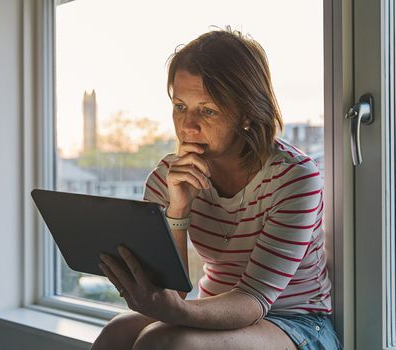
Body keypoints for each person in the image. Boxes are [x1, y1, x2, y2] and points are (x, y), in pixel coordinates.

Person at [92, 27, 342, 350]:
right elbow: (173, 292)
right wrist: (177, 211)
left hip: (295, 322)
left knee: (162, 342)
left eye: (207, 111)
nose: (188, 125)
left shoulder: (295, 179)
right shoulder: (168, 176)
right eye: (180, 106)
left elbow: (253, 300)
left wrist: (178, 311)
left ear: (247, 115)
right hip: (212, 307)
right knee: (116, 332)